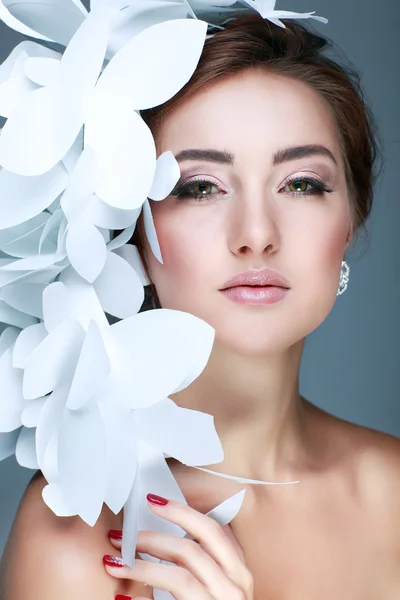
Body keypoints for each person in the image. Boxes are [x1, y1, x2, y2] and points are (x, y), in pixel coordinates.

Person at [1, 13, 399, 600]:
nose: (257, 234)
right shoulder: (77, 538)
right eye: (199, 187)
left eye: (302, 184)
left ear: (351, 220)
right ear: (130, 232)